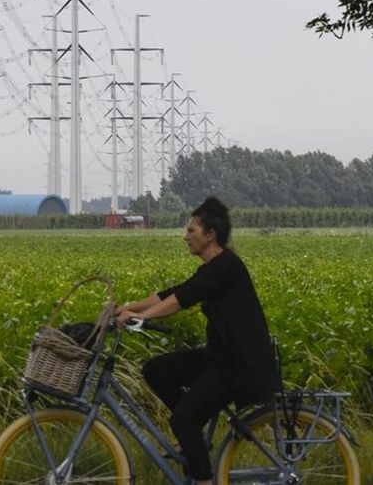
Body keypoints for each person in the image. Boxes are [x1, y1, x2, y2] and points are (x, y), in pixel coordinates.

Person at [115, 196, 282, 485]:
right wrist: (129, 308)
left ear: (210, 234)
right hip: (218, 355)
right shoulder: (211, 267)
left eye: (191, 231)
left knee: (182, 421)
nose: (185, 237)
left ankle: (202, 476)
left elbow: (181, 300)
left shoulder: (227, 266)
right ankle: (195, 439)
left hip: (238, 364)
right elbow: (175, 292)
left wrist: (142, 319)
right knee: (156, 370)